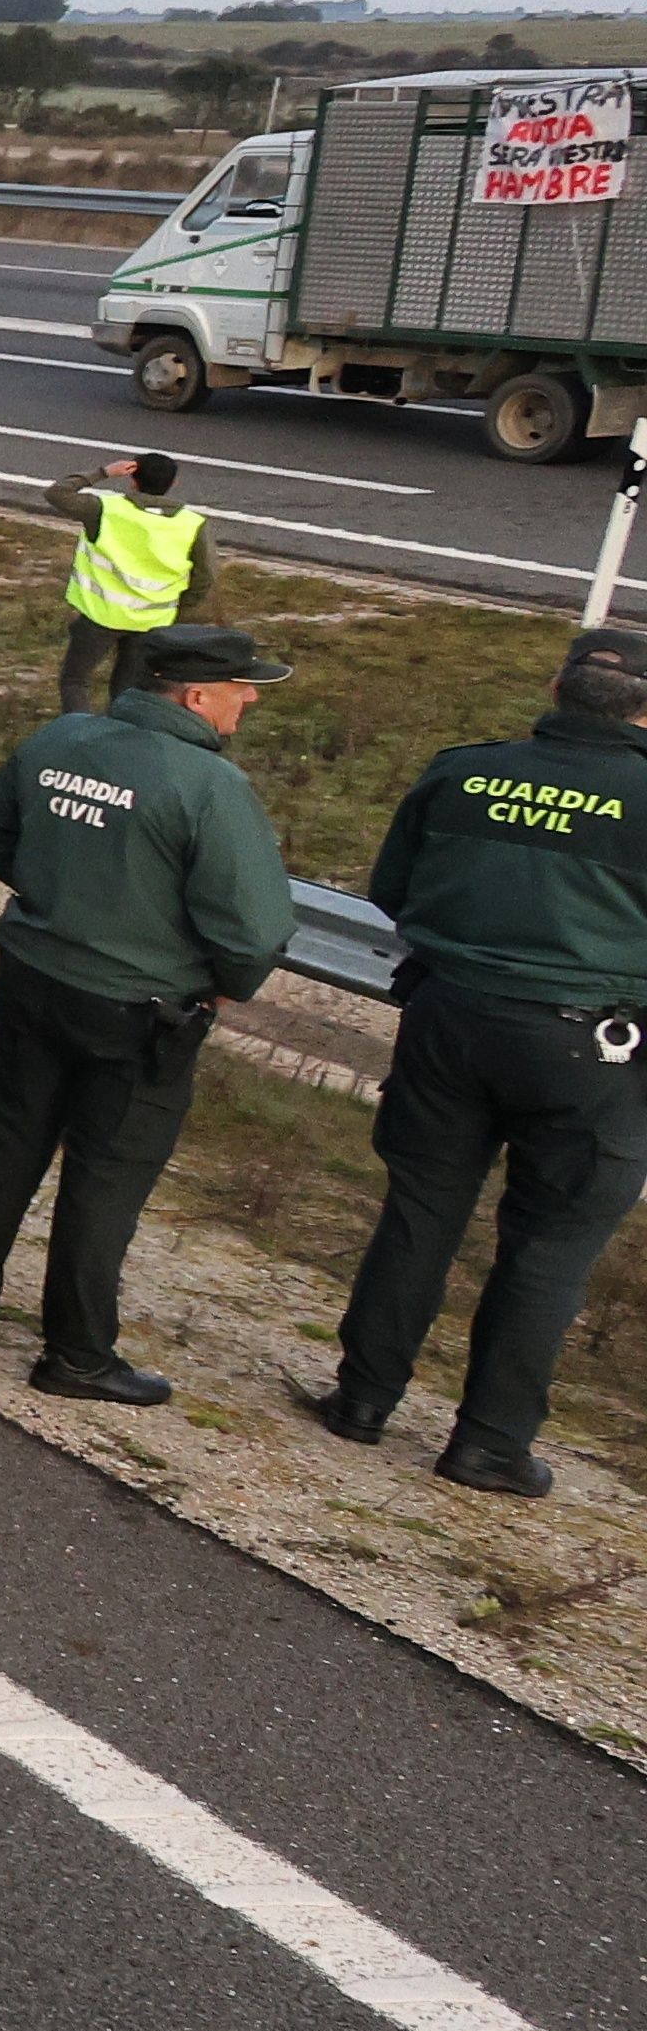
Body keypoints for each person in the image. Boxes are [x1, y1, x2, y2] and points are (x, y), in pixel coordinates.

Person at [0, 620, 300, 1402]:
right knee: (103, 1183)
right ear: (197, 695)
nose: (248, 705)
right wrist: (229, 980)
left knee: (10, 1147)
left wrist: (59, 898)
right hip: (141, 1012)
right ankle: (77, 1355)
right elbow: (255, 928)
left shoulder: (62, 737)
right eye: (242, 691)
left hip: (34, 979)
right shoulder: (209, 786)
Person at [318, 626, 647, 1497]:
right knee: (550, 1246)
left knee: (419, 1213)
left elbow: (393, 887)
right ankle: (490, 1445)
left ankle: (361, 1400)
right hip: (589, 1048)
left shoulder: (464, 768)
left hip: (445, 1017)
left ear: (555, 685)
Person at [41, 453, 205, 713]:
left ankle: (79, 736)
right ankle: (120, 737)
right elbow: (206, 576)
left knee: (75, 680)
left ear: (133, 480)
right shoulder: (192, 525)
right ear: (174, 484)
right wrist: (177, 607)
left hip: (100, 616)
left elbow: (57, 493)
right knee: (128, 689)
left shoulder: (105, 510)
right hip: (152, 620)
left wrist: (103, 472)